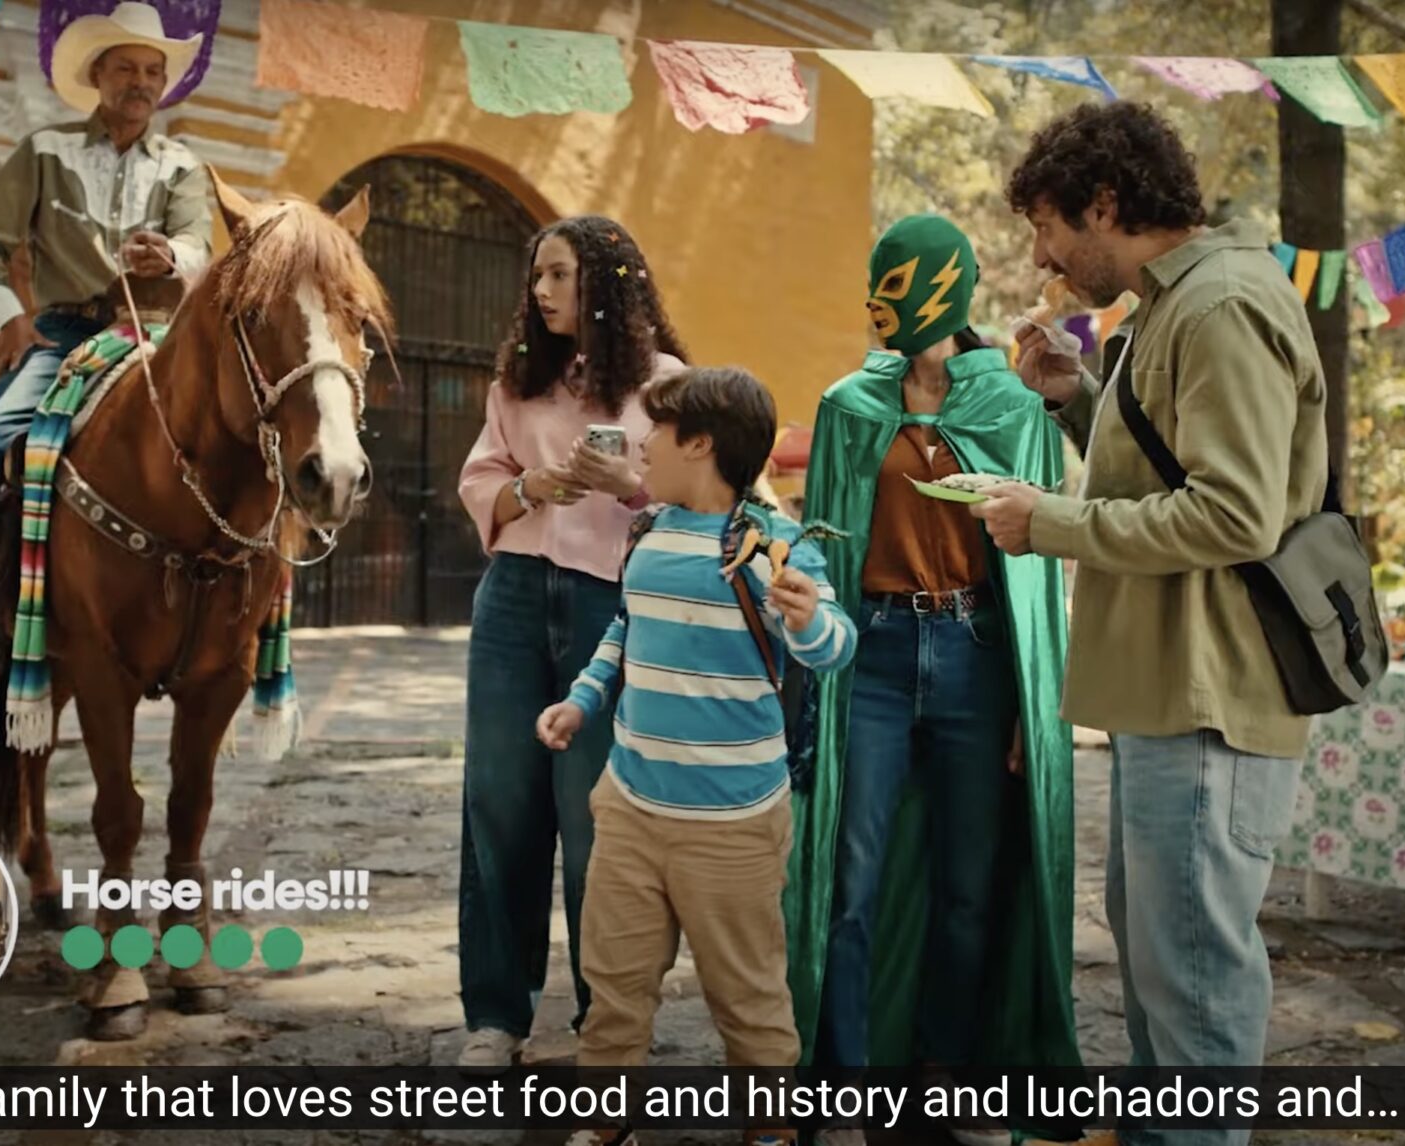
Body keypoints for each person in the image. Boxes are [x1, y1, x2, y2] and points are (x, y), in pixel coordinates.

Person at [974, 103, 1327, 1146]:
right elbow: (1172, 468)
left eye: (1046, 225)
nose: (1039, 253)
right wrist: (1078, 399)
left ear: (1103, 202)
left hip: (1208, 693)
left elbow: (1234, 511)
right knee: (1156, 957)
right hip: (1164, 692)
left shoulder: (1217, 305)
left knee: (1194, 983)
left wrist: (1049, 524)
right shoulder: (1166, 308)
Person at [787, 216, 1081, 1146]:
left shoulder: (1010, 407)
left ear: (945, 292)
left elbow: (1035, 575)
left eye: (904, 287)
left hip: (973, 655)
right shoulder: (850, 406)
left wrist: (1033, 703)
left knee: (970, 883)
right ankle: (843, 1078)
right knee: (851, 874)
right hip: (871, 652)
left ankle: (949, 1071)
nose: (888, 307)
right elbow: (825, 543)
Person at [538, 367, 856, 1146]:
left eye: (659, 430)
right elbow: (623, 631)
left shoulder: (774, 544)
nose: (642, 443)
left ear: (703, 443)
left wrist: (809, 617)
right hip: (632, 807)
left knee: (747, 990)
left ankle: (770, 1124)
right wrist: (581, 701)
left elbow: (834, 647)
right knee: (613, 980)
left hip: (735, 822)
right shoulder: (648, 534)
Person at [454, 215, 688, 1068]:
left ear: (606, 282)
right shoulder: (517, 382)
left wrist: (630, 486)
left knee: (600, 820)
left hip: (612, 610)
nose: (541, 291)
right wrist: (533, 485)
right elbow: (481, 481)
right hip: (512, 604)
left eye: (558, 275)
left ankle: (607, 1019)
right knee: (500, 806)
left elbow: (697, 506)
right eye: (537, 276)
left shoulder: (666, 385)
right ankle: (495, 1018)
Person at [0, 1, 212, 674]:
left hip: (153, 337)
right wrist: (9, 317)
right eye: (125, 68)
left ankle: (236, 610)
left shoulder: (183, 167)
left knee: (240, 437)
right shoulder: (44, 151)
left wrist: (169, 259)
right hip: (61, 336)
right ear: (97, 74)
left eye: (152, 71)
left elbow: (199, 244)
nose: (141, 82)